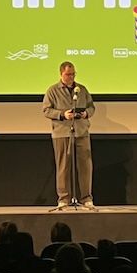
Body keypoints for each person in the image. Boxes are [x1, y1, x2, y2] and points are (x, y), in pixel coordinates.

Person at [42, 61, 96, 210]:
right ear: (61, 74)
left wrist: (86, 113)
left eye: (73, 74)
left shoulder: (82, 89)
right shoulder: (53, 90)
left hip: (81, 131)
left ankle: (86, 198)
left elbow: (91, 107)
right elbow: (46, 110)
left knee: (85, 166)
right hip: (62, 133)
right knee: (63, 167)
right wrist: (62, 114)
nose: (71, 77)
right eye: (68, 74)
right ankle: (64, 199)